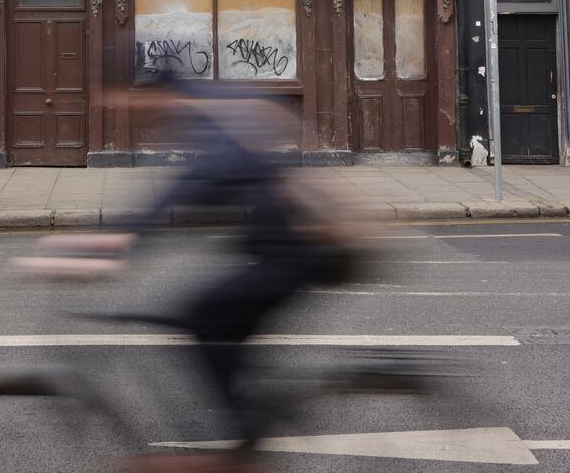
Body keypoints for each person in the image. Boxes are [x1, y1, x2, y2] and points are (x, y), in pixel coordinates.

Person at [20, 76, 362, 470]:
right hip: (280, 246)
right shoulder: (206, 106)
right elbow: (188, 193)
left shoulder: (207, 115)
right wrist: (111, 240)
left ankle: (240, 444)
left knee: (203, 313)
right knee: (212, 318)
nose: (125, 111)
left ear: (147, 92)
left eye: (121, 100)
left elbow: (191, 187)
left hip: (297, 252)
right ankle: (248, 416)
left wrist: (120, 241)